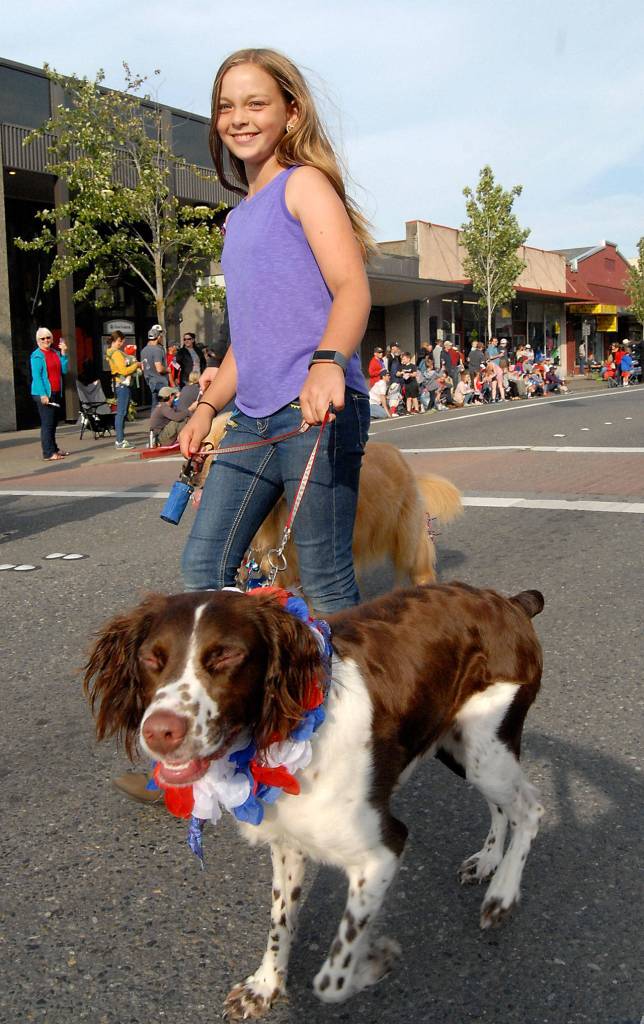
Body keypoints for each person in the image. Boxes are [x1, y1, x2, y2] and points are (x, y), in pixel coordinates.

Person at [30, 327, 69, 461]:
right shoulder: (36, 355)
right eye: (43, 338)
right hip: (44, 393)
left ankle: (54, 449)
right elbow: (37, 377)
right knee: (47, 423)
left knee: (53, 423)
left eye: (48, 338)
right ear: (38, 341)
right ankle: (48, 453)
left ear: (52, 339)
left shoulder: (54, 352)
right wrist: (43, 395)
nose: (46, 340)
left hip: (56, 392)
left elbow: (63, 370)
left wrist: (63, 353)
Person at [105, 330, 141, 449]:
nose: (123, 343)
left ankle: (121, 439)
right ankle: (120, 440)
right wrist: (136, 365)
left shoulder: (111, 352)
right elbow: (123, 371)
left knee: (121, 412)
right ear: (117, 340)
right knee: (121, 413)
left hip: (119, 384)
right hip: (122, 384)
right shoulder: (116, 353)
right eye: (121, 341)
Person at [140, 325, 168, 408]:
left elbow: (142, 367)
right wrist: (167, 370)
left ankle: (154, 419)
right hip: (160, 381)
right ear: (158, 337)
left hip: (150, 381)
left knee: (155, 404)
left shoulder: (143, 350)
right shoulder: (157, 350)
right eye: (161, 335)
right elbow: (159, 368)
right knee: (167, 402)